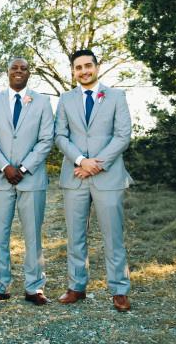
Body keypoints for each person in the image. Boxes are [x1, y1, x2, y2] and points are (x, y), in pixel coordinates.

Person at [54, 49, 132, 312]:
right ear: (73, 71)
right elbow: (60, 136)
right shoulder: (65, 100)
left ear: (97, 67)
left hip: (108, 176)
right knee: (75, 235)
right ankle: (76, 287)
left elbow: (123, 135)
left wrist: (95, 164)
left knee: (113, 235)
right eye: (78, 67)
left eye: (88, 66)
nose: (84, 71)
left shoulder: (116, 96)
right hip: (74, 176)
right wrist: (80, 161)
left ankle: (119, 289)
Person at [0, 58, 54, 308]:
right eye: (14, 68)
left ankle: (34, 287)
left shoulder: (42, 102)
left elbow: (46, 140)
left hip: (31, 180)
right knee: (0, 235)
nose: (19, 71)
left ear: (30, 73)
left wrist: (22, 167)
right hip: (1, 179)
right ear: (7, 72)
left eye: (23, 68)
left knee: (33, 235)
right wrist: (5, 166)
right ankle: (0, 287)